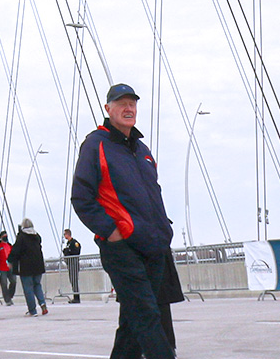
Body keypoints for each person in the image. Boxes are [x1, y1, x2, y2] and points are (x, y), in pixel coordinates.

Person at [71, 83, 175, 359]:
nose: (128, 109)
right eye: (122, 104)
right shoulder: (96, 144)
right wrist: (111, 231)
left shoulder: (142, 149)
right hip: (122, 247)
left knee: (133, 322)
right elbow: (81, 198)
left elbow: (153, 193)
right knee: (148, 316)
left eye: (132, 104)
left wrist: (164, 230)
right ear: (108, 109)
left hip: (153, 246)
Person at [11, 220, 47, 317]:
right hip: (38, 265)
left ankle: (32, 310)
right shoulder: (37, 236)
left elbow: (16, 250)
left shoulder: (22, 237)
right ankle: (43, 303)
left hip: (26, 267)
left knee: (28, 288)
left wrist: (10, 259)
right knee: (37, 285)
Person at [0, 232, 15, 307]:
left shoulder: (10, 245)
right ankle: (7, 300)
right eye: (4, 236)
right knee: (4, 284)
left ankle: (10, 296)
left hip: (10, 267)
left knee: (13, 281)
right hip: (2, 268)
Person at [60, 230, 82, 304]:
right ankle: (75, 296)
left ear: (67, 234)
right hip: (70, 264)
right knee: (72, 280)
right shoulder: (68, 243)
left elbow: (76, 251)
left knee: (74, 280)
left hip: (73, 263)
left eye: (64, 234)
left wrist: (68, 252)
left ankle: (77, 298)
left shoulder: (74, 242)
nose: (64, 236)